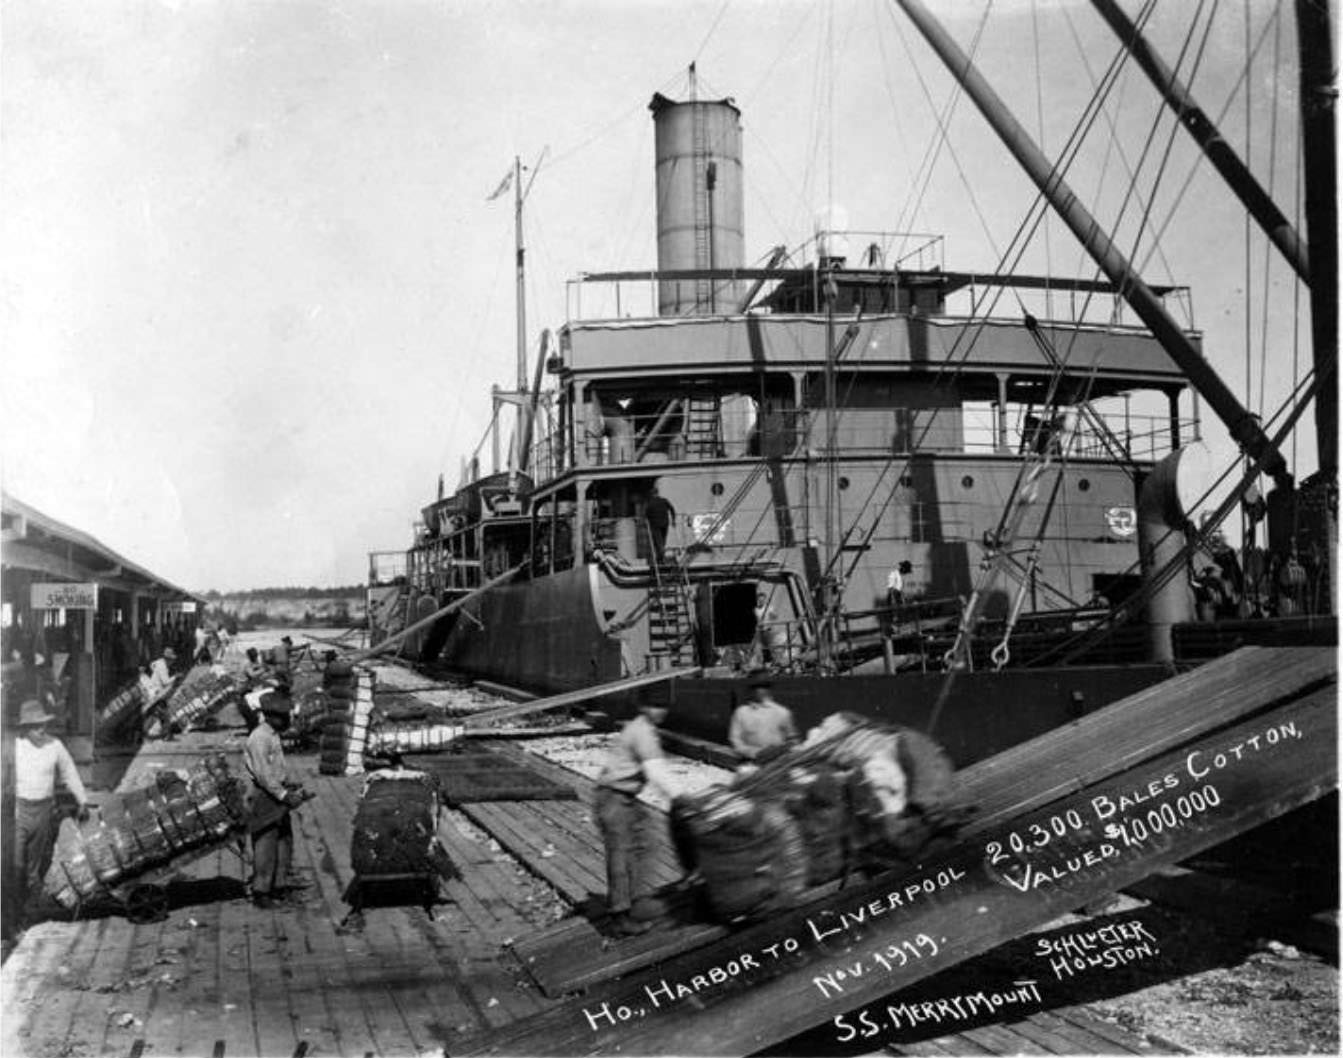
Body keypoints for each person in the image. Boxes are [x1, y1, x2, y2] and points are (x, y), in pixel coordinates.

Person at [594, 692, 680, 936]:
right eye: (655, 705)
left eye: (664, 706)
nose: (660, 711)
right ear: (643, 707)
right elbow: (657, 773)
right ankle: (619, 917)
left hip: (627, 797)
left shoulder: (644, 729)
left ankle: (637, 899)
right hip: (613, 796)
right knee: (620, 854)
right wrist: (682, 798)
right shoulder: (642, 732)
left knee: (648, 842)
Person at [14, 699, 91, 923]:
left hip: (44, 811)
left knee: (33, 867)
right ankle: (11, 912)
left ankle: (25, 915)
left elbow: (69, 772)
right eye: (35, 725)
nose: (41, 729)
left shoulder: (54, 745)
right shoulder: (15, 748)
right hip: (19, 811)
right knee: (15, 863)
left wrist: (82, 799)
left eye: (43, 724)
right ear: (25, 728)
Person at [243, 692, 309, 908]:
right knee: (266, 845)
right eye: (283, 717)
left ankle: (279, 886)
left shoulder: (273, 734)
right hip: (264, 797)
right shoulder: (259, 738)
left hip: (276, 795)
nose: (287, 720)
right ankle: (261, 892)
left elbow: (275, 769)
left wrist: (288, 784)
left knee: (284, 842)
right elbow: (263, 774)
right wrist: (283, 795)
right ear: (270, 716)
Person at [728, 676, 798, 766]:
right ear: (750, 690)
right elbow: (735, 740)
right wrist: (753, 753)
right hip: (750, 764)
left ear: (769, 690)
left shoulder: (782, 712)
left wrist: (780, 751)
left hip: (777, 765)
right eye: (756, 687)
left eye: (764, 687)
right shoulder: (741, 712)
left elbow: (792, 739)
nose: (759, 690)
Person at [644, 484, 676, 565]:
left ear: (652, 494)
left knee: (658, 543)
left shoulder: (650, 503)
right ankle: (660, 559)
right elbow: (672, 509)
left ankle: (661, 559)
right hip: (665, 524)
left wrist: (647, 522)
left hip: (655, 525)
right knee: (662, 542)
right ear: (658, 493)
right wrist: (673, 520)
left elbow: (646, 514)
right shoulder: (664, 501)